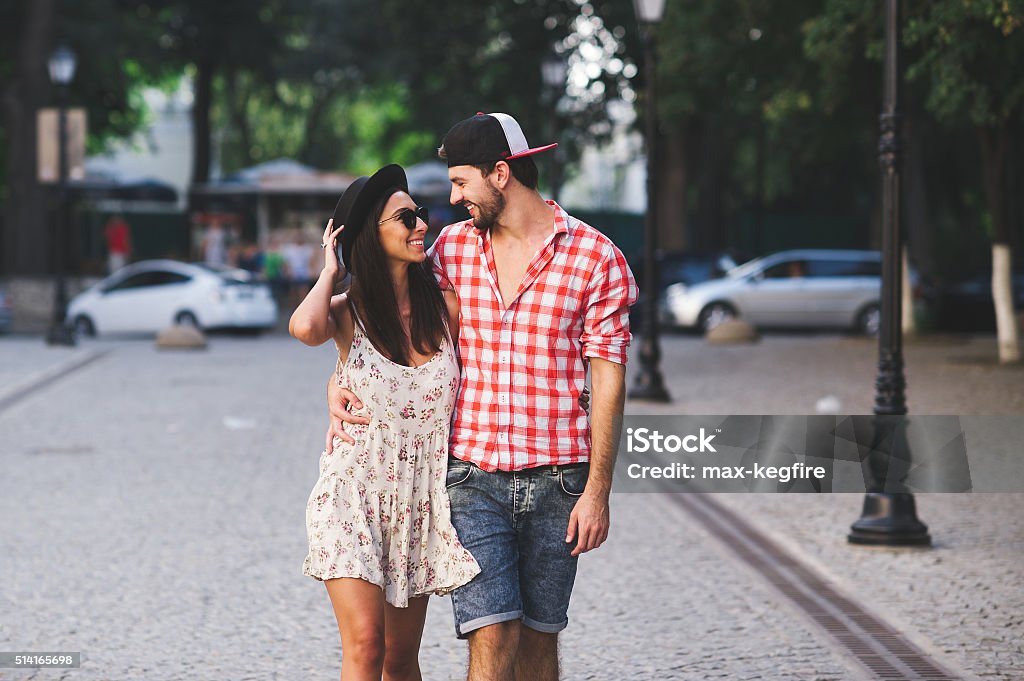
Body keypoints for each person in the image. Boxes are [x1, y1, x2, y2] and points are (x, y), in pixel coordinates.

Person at [328, 113, 637, 681]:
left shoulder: (597, 258)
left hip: (559, 481)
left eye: (461, 182)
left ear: (501, 174)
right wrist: (342, 374)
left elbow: (609, 380)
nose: (451, 197)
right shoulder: (450, 250)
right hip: (471, 478)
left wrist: (598, 491)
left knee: (540, 642)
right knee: (492, 632)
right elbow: (389, 320)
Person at [290, 164, 481, 681]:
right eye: (404, 217)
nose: (421, 224)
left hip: (416, 506)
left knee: (401, 660)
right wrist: (331, 267)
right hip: (352, 496)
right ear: (371, 234)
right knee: (367, 647)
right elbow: (304, 328)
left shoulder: (445, 310)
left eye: (418, 214)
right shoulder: (348, 313)